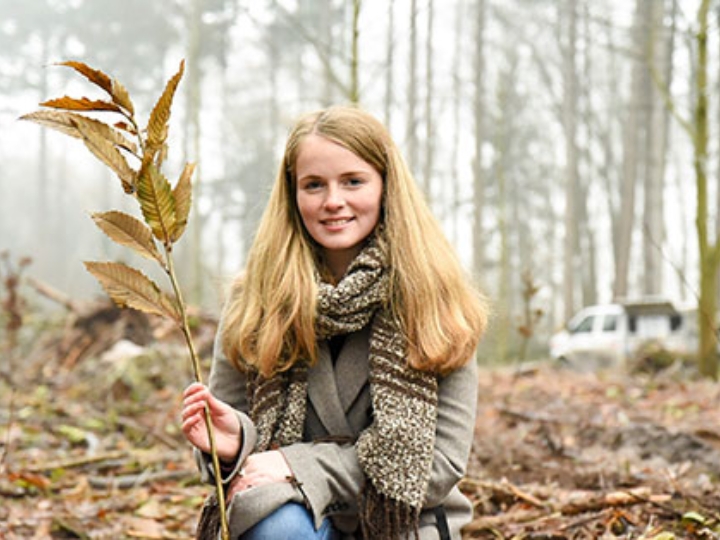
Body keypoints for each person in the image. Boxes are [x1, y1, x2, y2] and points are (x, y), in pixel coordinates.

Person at [181, 105, 488, 540]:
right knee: (277, 530)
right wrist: (232, 447)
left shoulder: (435, 295)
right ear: (293, 195)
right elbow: (238, 462)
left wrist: (298, 464)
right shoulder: (255, 299)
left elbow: (438, 465)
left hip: (405, 524)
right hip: (296, 517)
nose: (333, 201)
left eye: (353, 181)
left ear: (386, 186)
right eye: (313, 185)